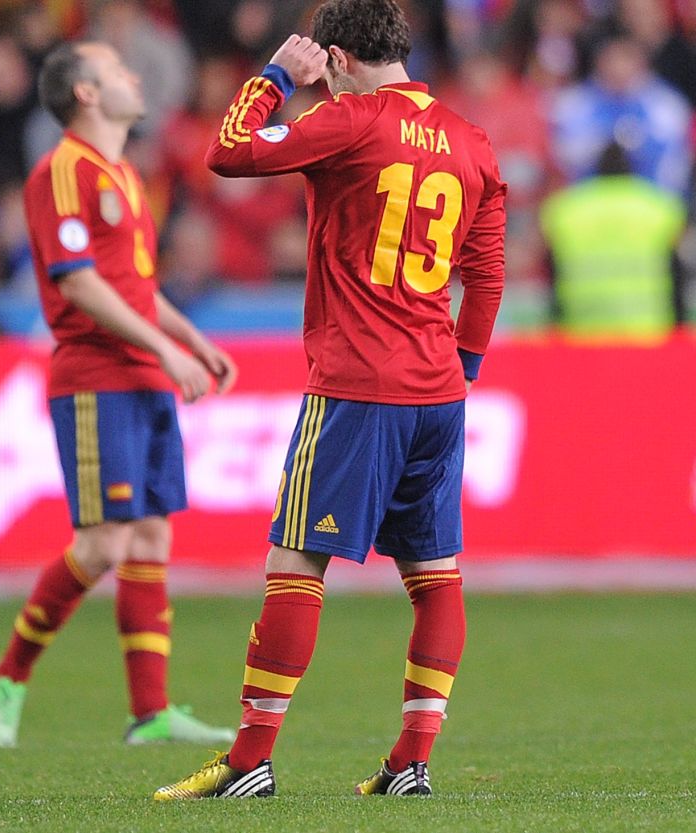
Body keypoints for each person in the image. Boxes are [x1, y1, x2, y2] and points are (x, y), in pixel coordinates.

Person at [153, 0, 505, 799]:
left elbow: (228, 152)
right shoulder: (472, 140)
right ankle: (410, 760)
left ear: (338, 57)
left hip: (356, 384)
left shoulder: (351, 121)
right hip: (438, 393)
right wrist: (464, 373)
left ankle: (249, 760)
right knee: (435, 572)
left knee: (296, 561)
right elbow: (484, 277)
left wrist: (280, 74)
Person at [0, 41, 239, 749]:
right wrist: (163, 347)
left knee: (152, 534)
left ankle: (150, 712)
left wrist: (192, 338)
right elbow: (78, 281)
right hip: (95, 375)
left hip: (145, 371)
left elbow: (136, 284)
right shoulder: (63, 170)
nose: (134, 75)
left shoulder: (122, 171)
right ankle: (8, 674)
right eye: (118, 69)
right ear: (86, 93)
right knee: (100, 544)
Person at [541, 141, 686, 341]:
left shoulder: (564, 210)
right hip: (647, 332)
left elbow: (552, 273)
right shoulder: (660, 208)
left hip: (581, 333)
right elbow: (677, 273)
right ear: (632, 170)